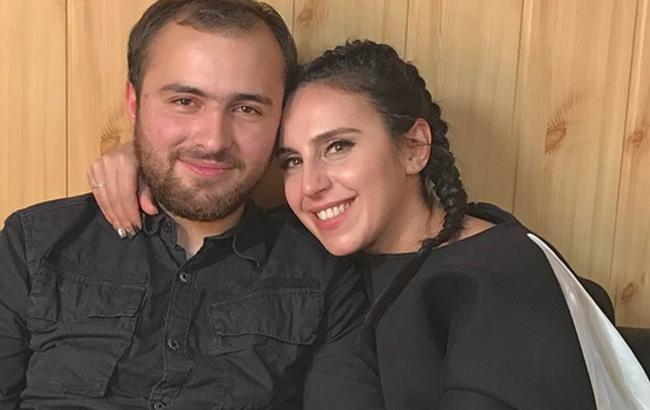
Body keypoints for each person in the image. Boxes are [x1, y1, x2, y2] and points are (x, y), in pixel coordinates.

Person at [92, 39, 650, 409]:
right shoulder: (321, 248)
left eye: (338, 146)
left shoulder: (499, 277)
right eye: (292, 160)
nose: (310, 186)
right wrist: (146, 157)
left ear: (413, 147)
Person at [0, 2, 385, 409]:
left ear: (280, 122)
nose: (213, 140)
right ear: (134, 103)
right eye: (185, 101)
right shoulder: (35, 243)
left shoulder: (323, 274)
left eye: (247, 109)